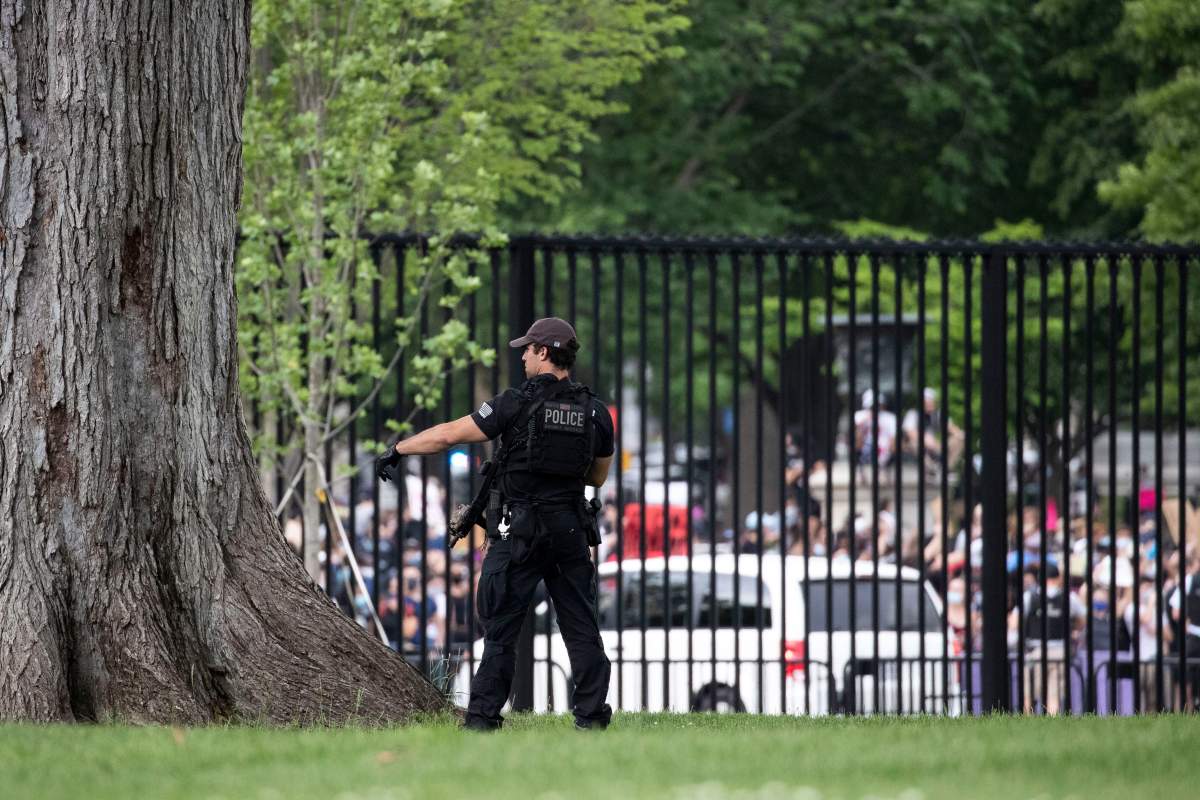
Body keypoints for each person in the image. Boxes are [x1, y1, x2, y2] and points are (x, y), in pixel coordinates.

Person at [375, 316, 615, 731]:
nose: (522, 355)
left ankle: (483, 716)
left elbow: (450, 434)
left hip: (517, 531)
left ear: (543, 353)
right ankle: (591, 717)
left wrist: (399, 448)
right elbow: (597, 477)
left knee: (501, 629)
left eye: (527, 349)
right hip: (569, 530)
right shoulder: (595, 412)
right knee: (580, 625)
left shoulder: (513, 403)